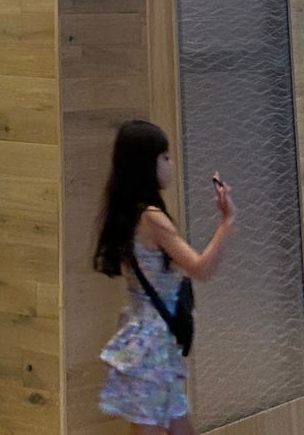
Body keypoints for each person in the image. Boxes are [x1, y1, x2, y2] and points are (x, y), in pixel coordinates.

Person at [94, 117, 235, 431]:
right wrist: (226, 223)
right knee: (159, 424)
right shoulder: (153, 218)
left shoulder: (127, 213)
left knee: (167, 422)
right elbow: (201, 267)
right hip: (154, 344)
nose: (170, 164)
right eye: (165, 157)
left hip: (142, 335)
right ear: (147, 164)